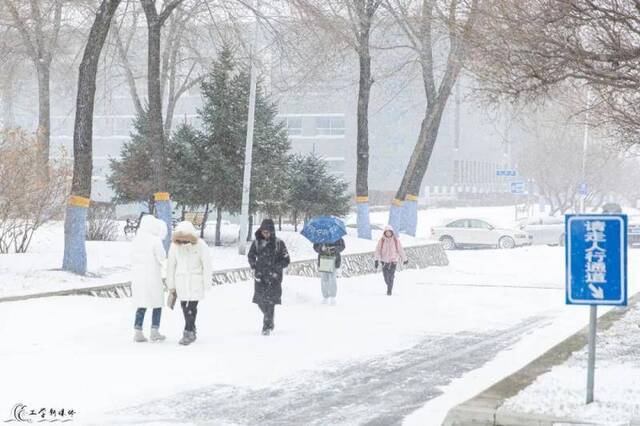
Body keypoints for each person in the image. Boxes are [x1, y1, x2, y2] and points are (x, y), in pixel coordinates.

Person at [166, 221, 212, 345]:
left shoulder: (201, 245)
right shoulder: (174, 247)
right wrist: (171, 285)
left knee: (191, 307)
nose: (183, 243)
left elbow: (207, 264)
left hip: (195, 281)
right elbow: (171, 266)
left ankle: (188, 332)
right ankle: (192, 329)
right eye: (180, 240)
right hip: (181, 281)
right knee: (183, 307)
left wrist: (207, 282)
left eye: (185, 240)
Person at [247, 219, 290, 336]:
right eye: (263, 232)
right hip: (260, 277)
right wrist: (254, 265)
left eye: (267, 232)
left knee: (270, 302)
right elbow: (251, 255)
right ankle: (269, 319)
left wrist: (276, 267)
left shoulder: (279, 243)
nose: (265, 234)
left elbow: (286, 260)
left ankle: (267, 326)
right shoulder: (256, 242)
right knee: (260, 301)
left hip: (274, 278)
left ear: (272, 231)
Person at [131, 215, 168, 343]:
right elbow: (162, 257)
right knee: (157, 304)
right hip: (152, 277)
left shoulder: (136, 239)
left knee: (142, 303)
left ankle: (138, 331)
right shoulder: (155, 240)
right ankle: (154, 331)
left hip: (137, 277)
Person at [374, 225, 408, 296]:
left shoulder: (396, 240)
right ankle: (388, 284)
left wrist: (404, 259)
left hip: (393, 261)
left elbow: (400, 250)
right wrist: (376, 260)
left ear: (392, 233)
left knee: (391, 276)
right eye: (387, 232)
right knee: (386, 277)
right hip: (384, 261)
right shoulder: (382, 240)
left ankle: (389, 290)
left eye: (389, 232)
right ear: (385, 233)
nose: (388, 234)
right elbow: (377, 250)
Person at [313, 238, 345, 305]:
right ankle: (325, 296)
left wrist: (333, 249)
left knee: (332, 279)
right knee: (324, 279)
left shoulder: (336, 236)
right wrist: (321, 248)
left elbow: (342, 246)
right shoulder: (320, 237)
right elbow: (315, 247)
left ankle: (333, 297)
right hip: (323, 259)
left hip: (334, 260)